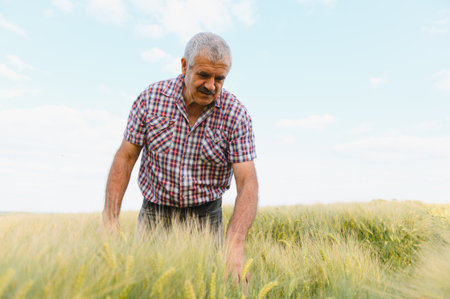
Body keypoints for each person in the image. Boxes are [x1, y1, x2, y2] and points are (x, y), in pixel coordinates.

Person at [102, 32, 258, 280]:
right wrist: (110, 220)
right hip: (155, 214)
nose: (211, 86)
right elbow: (126, 157)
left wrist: (236, 242)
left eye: (220, 78)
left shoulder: (236, 115)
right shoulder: (150, 100)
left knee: (209, 285)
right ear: (184, 66)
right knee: (146, 284)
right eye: (204, 75)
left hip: (206, 218)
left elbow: (247, 181)